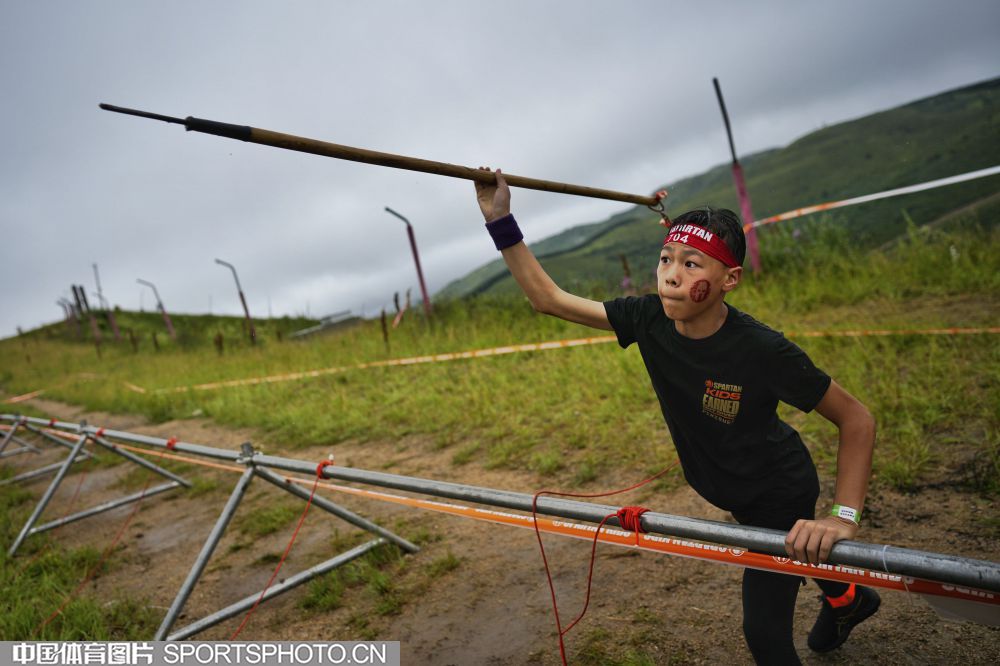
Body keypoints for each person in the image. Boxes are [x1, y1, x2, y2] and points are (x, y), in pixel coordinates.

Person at [474, 168, 881, 665]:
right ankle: (850, 599)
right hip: (731, 486)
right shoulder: (648, 319)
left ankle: (843, 595)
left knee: (765, 635)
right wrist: (501, 220)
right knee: (801, 554)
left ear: (728, 279)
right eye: (666, 258)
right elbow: (548, 299)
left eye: (691, 264)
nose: (671, 273)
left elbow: (856, 419)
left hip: (779, 491)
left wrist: (842, 519)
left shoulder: (762, 349)